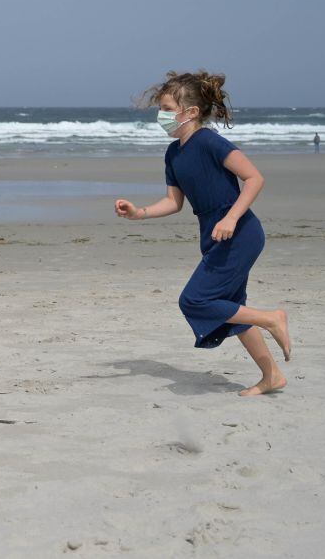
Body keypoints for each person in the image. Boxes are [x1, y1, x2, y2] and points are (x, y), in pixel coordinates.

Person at [114, 70, 291, 396]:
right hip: (213, 237)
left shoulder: (209, 141)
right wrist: (140, 213)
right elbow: (173, 201)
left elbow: (254, 179)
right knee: (232, 308)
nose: (162, 116)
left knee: (195, 300)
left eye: (167, 109)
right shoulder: (173, 154)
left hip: (240, 233)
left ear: (190, 112)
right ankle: (272, 376)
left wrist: (231, 219)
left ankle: (272, 318)